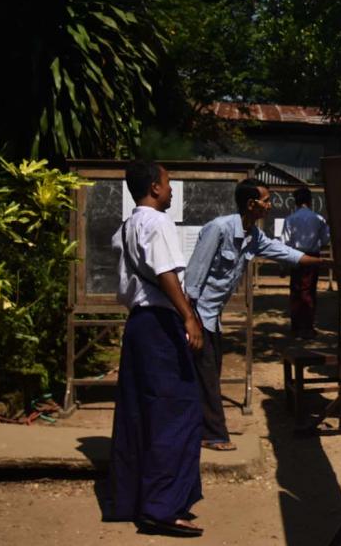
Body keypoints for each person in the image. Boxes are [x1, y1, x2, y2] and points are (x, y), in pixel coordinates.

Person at [184, 178, 328, 451]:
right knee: (206, 374)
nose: (270, 205)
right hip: (198, 314)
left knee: (209, 374)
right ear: (251, 204)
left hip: (212, 317)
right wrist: (190, 319)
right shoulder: (219, 229)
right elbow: (193, 277)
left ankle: (198, 429)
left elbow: (284, 252)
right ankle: (214, 434)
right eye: (266, 200)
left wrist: (323, 262)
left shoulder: (254, 236)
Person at [108, 161, 205, 537]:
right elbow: (166, 273)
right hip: (161, 324)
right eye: (168, 183)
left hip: (138, 324)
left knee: (139, 412)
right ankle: (162, 507)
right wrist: (189, 318)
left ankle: (135, 498)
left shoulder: (128, 225)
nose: (172, 190)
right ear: (154, 187)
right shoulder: (159, 223)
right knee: (176, 411)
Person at [281, 186, 331, 340]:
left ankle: (296, 327)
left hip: (295, 256)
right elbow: (325, 240)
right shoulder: (319, 219)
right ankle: (307, 328)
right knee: (309, 291)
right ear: (310, 201)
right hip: (312, 257)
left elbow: (285, 242)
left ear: (295, 202)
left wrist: (283, 264)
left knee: (296, 291)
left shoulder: (290, 219)